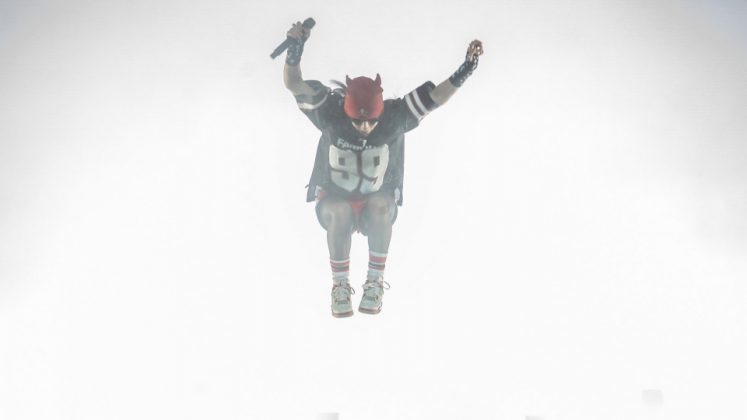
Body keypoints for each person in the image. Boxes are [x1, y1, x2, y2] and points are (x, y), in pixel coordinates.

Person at [281, 21, 483, 317]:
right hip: (335, 200)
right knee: (339, 212)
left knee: (380, 206)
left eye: (371, 122)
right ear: (344, 111)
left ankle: (374, 282)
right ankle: (340, 286)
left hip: (376, 200)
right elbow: (294, 84)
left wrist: (465, 70)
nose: (364, 127)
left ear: (382, 114)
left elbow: (435, 98)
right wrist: (294, 51)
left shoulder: (395, 116)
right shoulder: (329, 111)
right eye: (357, 121)